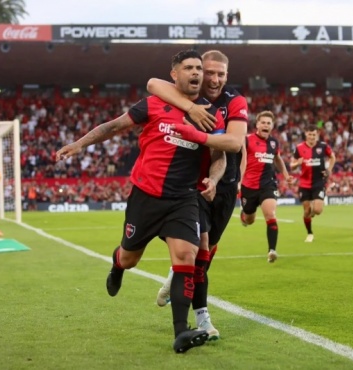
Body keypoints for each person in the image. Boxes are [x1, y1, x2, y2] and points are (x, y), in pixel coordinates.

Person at [55, 49, 226, 354]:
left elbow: (219, 156)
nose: (197, 73)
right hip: (146, 196)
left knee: (186, 256)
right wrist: (79, 143)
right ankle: (118, 265)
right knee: (130, 257)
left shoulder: (209, 113)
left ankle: (180, 332)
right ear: (174, 74)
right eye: (189, 68)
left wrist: (213, 179)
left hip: (184, 198)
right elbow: (113, 126)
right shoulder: (153, 103)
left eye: (199, 68)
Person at [147, 50, 249, 340]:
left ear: (227, 76)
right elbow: (153, 84)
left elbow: (234, 142)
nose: (214, 79)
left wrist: (198, 136)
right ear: (200, 72)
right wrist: (189, 109)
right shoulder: (187, 94)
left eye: (221, 74)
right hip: (194, 186)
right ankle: (201, 317)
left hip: (225, 186)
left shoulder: (235, 101)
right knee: (199, 250)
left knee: (206, 255)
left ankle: (176, 273)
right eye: (210, 72)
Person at [240, 111, 292, 262]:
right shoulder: (247, 140)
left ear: (272, 126)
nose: (265, 125)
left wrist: (286, 175)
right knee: (249, 219)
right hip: (248, 186)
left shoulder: (274, 143)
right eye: (263, 122)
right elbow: (241, 161)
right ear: (257, 124)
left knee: (270, 214)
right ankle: (244, 216)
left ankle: (272, 251)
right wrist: (238, 180)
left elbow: (278, 159)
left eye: (268, 123)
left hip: (268, 185)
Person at [290, 124, 335, 242]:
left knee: (317, 210)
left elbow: (332, 157)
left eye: (314, 134)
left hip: (319, 182)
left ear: (317, 135)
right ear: (306, 134)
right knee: (306, 211)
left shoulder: (323, 146)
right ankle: (310, 233)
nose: (311, 137)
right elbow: (291, 165)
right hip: (304, 184)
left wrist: (329, 170)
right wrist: (297, 164)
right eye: (309, 134)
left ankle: (313, 211)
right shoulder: (299, 148)